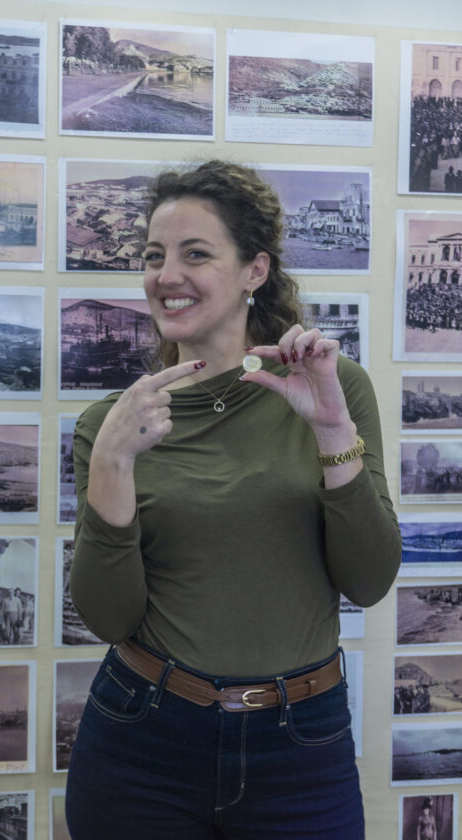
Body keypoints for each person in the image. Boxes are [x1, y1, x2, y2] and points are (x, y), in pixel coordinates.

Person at [65, 160, 401, 839]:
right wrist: (111, 464)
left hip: (300, 744)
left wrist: (332, 432)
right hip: (141, 741)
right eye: (154, 256)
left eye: (196, 254)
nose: (166, 275)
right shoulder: (114, 423)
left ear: (254, 270)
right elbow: (107, 617)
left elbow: (368, 581)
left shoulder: (332, 387)